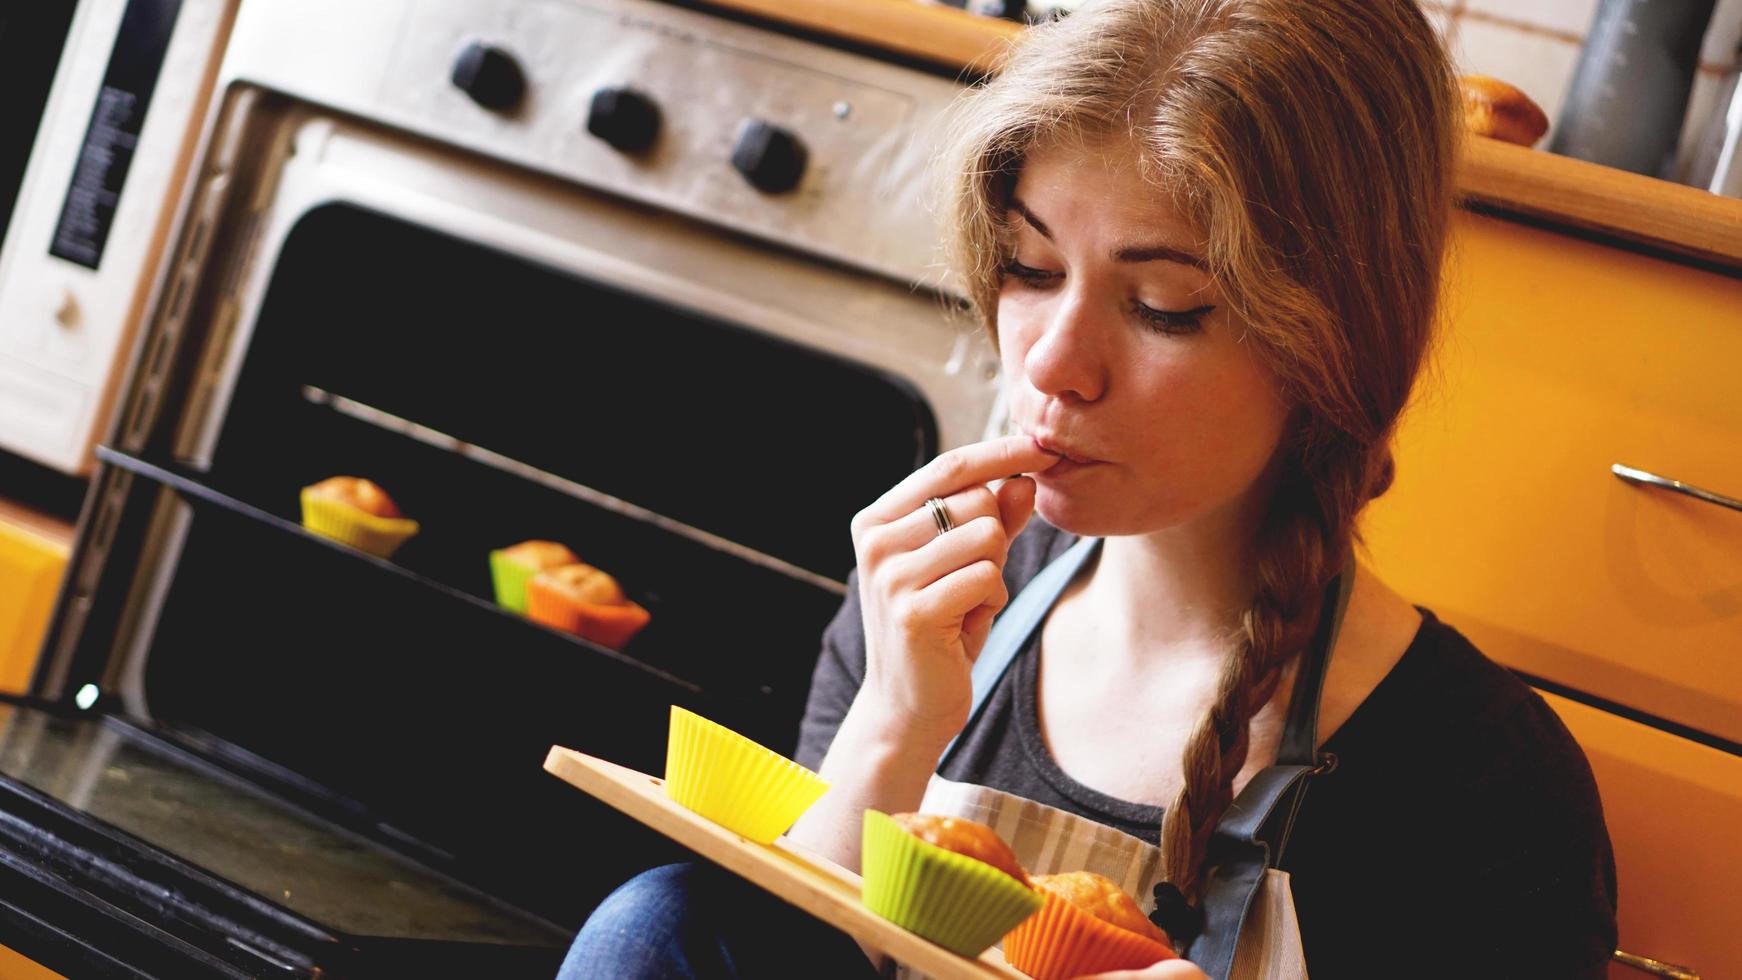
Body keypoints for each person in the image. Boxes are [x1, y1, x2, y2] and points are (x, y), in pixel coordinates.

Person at [560, 0, 1618, 976]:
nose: (1051, 364)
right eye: (1027, 267)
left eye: (1163, 305)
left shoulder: (1483, 788)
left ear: (1331, 343)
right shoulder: (930, 600)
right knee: (662, 921)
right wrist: (889, 723)